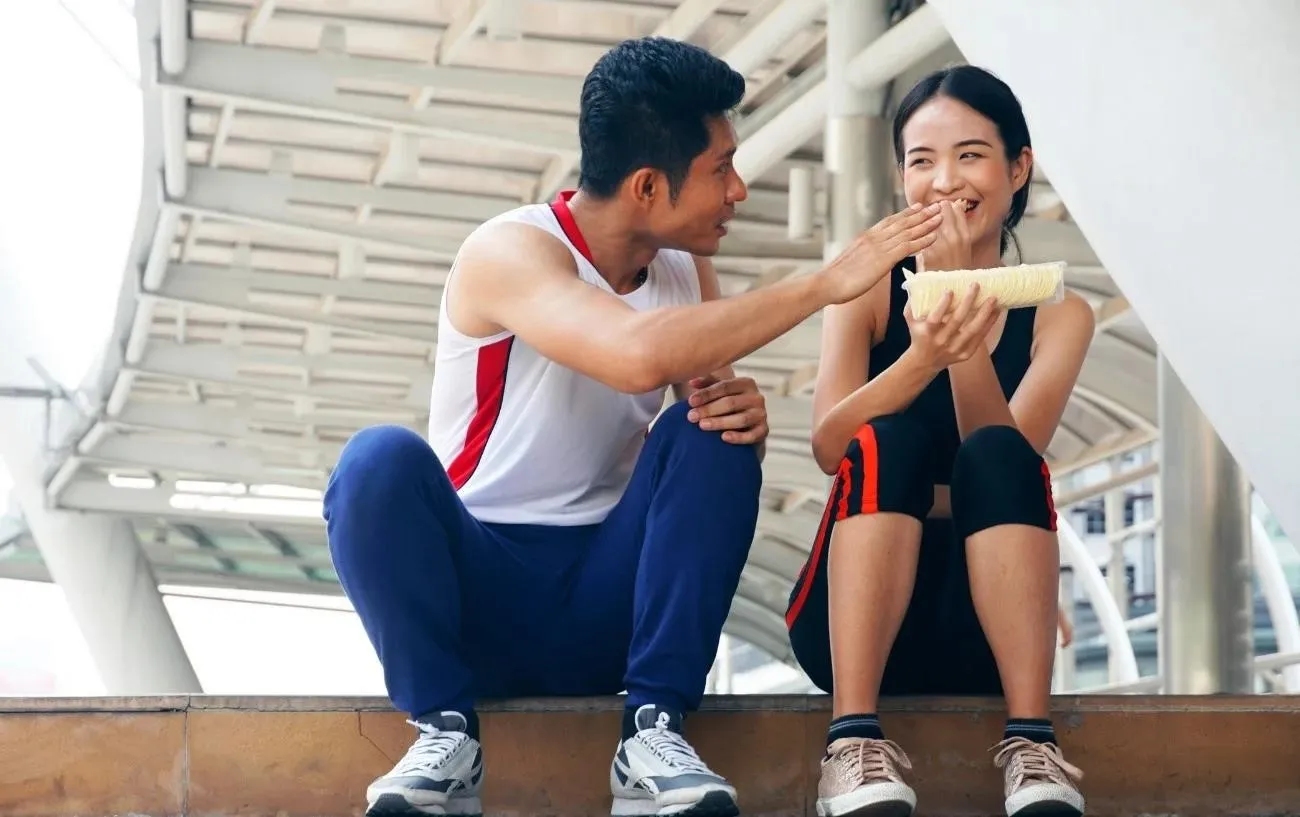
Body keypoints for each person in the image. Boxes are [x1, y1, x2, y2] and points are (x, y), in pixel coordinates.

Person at [324, 36, 947, 817]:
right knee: (375, 460)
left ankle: (652, 727)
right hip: (479, 595)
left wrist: (736, 414)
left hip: (603, 601)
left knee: (712, 431)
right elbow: (633, 355)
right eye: (720, 168)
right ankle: (444, 732)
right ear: (649, 185)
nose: (739, 190)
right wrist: (827, 285)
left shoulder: (683, 271)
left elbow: (695, 415)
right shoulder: (508, 250)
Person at [784, 65, 1095, 817]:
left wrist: (965, 328)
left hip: (986, 629)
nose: (943, 179)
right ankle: (850, 740)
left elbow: (1004, 459)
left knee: (996, 453)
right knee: (882, 440)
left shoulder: (1060, 313)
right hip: (854, 620)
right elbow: (831, 446)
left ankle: (1030, 741)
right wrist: (923, 352)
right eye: (921, 161)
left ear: (1018, 168)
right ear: (901, 177)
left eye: (970, 155)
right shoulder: (864, 287)